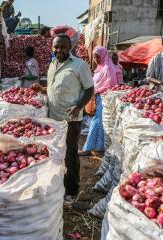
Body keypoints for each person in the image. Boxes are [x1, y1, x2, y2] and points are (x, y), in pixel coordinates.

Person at [31, 33, 94, 205]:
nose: (59, 50)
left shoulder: (79, 65)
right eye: (56, 47)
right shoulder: (52, 64)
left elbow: (90, 89)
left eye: (63, 47)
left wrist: (79, 106)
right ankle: (60, 185)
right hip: (53, 119)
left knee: (70, 155)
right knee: (56, 153)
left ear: (70, 48)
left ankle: (72, 191)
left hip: (71, 119)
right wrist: (43, 89)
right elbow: (54, 88)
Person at [81, 47, 118, 156]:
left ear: (103, 55)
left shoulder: (108, 68)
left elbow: (111, 85)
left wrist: (97, 91)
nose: (96, 59)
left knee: (96, 122)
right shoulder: (99, 68)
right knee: (100, 123)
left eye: (98, 56)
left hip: (104, 98)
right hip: (96, 97)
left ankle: (88, 148)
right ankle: (99, 147)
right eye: (95, 57)